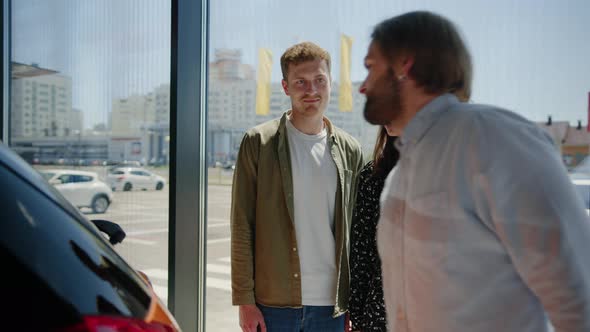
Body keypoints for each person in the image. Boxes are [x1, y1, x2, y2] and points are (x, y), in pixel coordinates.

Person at [360, 10, 590, 332]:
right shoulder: (399, 174)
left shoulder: (493, 138)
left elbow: (578, 294)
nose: (363, 86)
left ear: (404, 65)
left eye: (370, 68)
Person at [231, 41, 364, 332]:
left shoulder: (350, 150)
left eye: (319, 80)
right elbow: (242, 225)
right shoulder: (258, 143)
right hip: (273, 305)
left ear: (330, 83)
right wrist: (245, 301)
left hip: (332, 307)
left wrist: (356, 302)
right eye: (300, 82)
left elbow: (356, 231)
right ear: (285, 86)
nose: (312, 90)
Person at [348, 128, 398, 332]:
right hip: (380, 313)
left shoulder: (451, 176)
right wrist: (357, 316)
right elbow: (362, 253)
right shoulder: (373, 176)